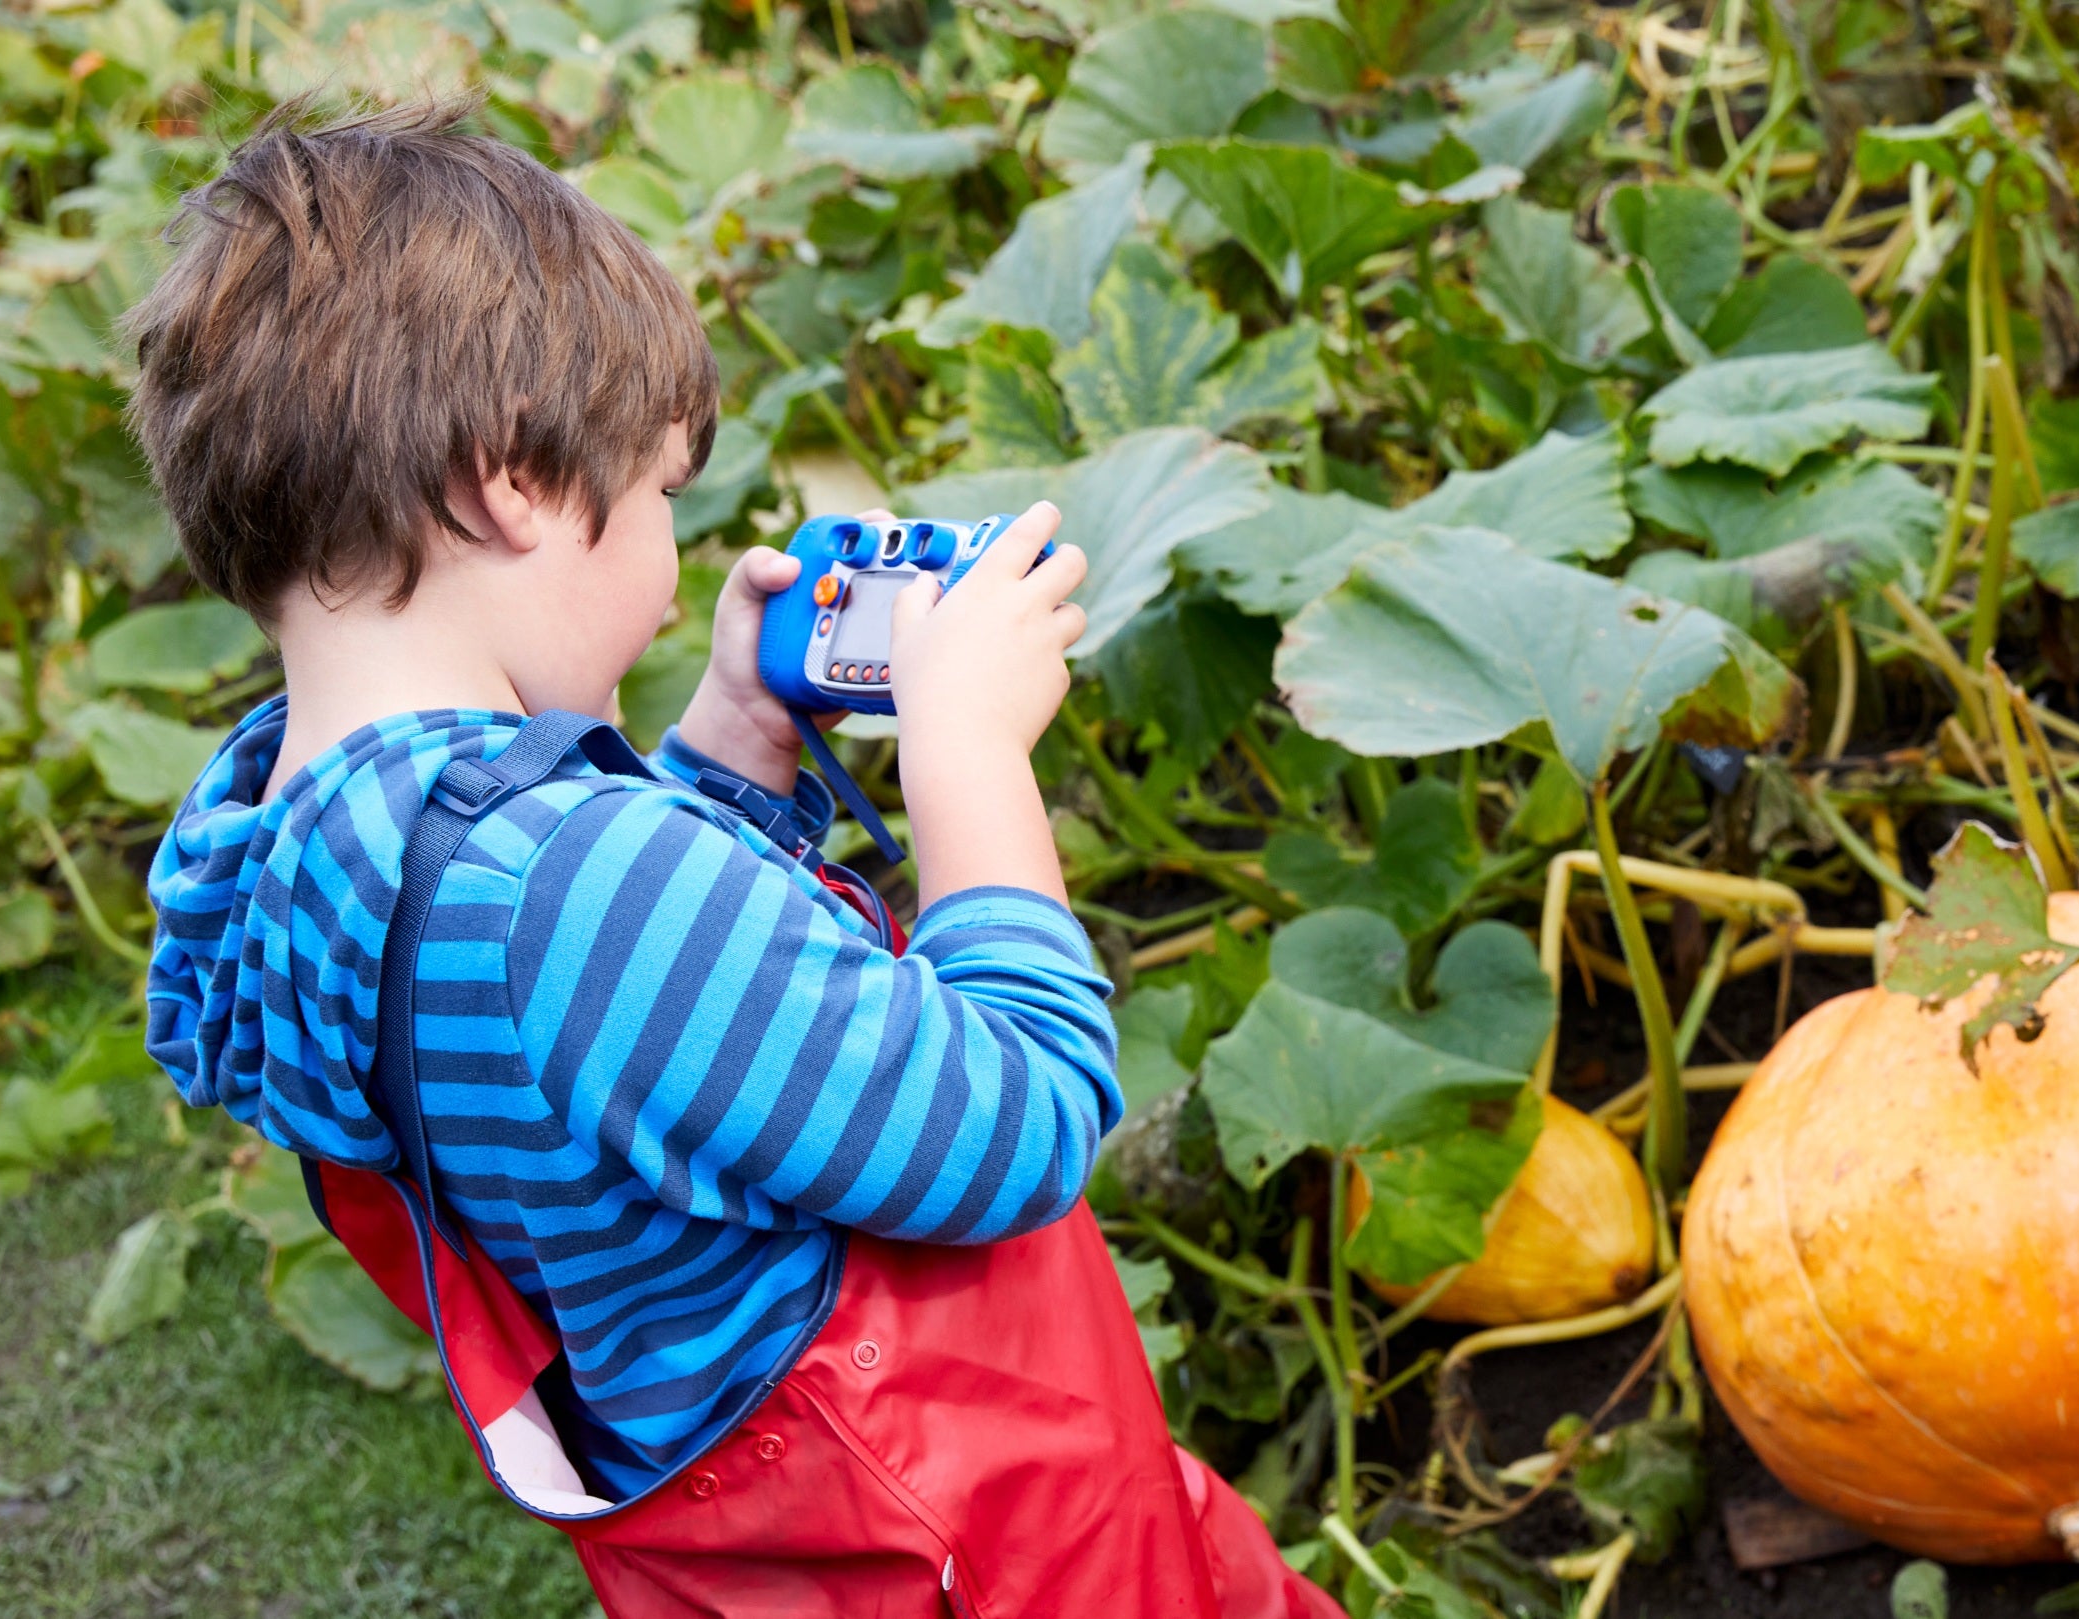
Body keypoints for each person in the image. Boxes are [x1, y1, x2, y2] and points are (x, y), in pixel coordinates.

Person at [133, 95, 1336, 1619]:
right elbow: (1022, 1127)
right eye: (656, 500)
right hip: (974, 1530)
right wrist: (968, 754)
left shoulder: (279, 865)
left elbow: (605, 1062)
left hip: (764, 1551)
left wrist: (728, 754)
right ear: (509, 481)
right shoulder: (574, 891)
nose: (672, 555)